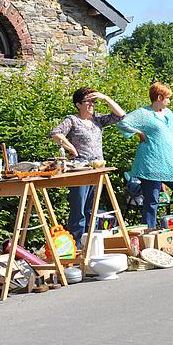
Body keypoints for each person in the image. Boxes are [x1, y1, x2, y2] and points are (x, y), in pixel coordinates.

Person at [50, 87, 125, 247]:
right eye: (88, 101)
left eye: (93, 101)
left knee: (93, 211)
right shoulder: (72, 120)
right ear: (78, 104)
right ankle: (75, 247)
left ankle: (90, 245)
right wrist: (71, 148)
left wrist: (105, 97)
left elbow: (121, 115)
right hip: (80, 171)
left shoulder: (97, 120)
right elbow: (55, 133)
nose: (92, 104)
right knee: (79, 211)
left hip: (98, 170)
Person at [117, 82, 173, 229]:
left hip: (172, 164)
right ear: (159, 97)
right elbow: (122, 123)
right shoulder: (143, 113)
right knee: (151, 202)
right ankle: (149, 236)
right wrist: (139, 132)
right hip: (150, 165)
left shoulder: (170, 114)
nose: (169, 101)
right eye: (167, 98)